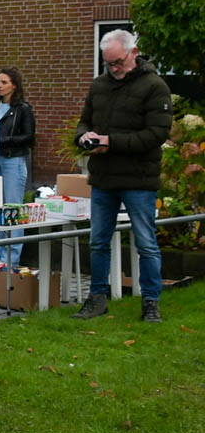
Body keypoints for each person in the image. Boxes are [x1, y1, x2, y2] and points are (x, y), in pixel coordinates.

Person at [73, 29, 173, 323]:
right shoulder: (99, 85)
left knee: (145, 243)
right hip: (104, 178)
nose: (114, 69)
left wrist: (110, 142)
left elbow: (156, 134)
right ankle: (97, 298)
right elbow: (83, 122)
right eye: (109, 64)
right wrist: (85, 137)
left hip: (139, 180)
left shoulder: (155, 86)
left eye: (118, 62)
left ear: (133, 52)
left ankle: (151, 302)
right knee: (98, 241)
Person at [0, 67, 37, 270]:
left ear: (14, 85)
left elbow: (29, 137)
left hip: (13, 160)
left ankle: (12, 257)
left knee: (13, 208)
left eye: (4, 82)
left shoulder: (23, 108)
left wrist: (2, 140)